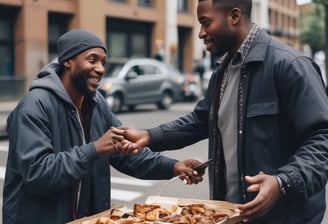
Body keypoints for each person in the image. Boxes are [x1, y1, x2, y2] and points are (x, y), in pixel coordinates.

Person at [112, 0, 328, 223]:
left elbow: (322, 139)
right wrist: (148, 136)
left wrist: (282, 182)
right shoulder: (223, 69)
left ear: (234, 16)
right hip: (234, 215)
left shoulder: (290, 65)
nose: (200, 33)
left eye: (206, 23)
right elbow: (201, 119)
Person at [2, 29, 204, 224]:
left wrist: (174, 167)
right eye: (92, 60)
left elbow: (129, 155)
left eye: (103, 62)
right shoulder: (34, 106)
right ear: (67, 61)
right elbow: (37, 174)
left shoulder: (97, 105)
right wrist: (94, 149)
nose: (100, 68)